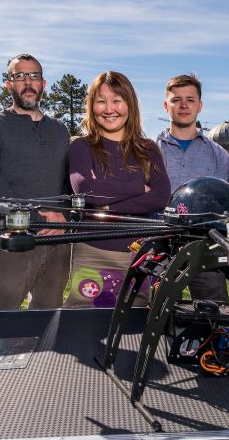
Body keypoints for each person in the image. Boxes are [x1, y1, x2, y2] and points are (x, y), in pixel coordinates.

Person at [0, 54, 71, 310]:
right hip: (13, 239)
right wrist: (38, 215)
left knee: (48, 317)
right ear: (9, 85)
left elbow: (69, 183)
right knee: (0, 319)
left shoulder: (60, 130)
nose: (28, 81)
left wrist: (62, 215)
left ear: (43, 84)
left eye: (34, 75)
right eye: (19, 76)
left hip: (56, 240)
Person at [64, 71, 170, 308]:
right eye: (101, 101)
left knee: (135, 320)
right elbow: (85, 189)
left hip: (138, 253)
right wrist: (138, 187)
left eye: (117, 101)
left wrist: (106, 204)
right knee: (85, 318)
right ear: (92, 107)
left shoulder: (148, 149)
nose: (109, 109)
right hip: (93, 249)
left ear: (129, 105)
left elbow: (160, 197)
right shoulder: (82, 146)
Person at [154, 73, 229, 301]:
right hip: (158, 244)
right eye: (176, 100)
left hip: (203, 246)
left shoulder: (218, 155)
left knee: (214, 311)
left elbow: (222, 203)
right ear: (166, 106)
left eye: (190, 99)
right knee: (156, 313)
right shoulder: (148, 150)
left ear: (200, 106)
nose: (183, 105)